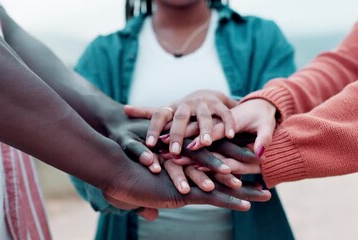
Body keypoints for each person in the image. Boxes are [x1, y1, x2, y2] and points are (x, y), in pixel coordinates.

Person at [0, 1, 271, 239]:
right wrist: (114, 175)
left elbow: (278, 126)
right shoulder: (106, 50)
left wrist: (113, 122)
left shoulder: (260, 37)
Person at [71, 0, 295, 239]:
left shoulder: (260, 37)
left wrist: (228, 110)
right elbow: (77, 151)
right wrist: (117, 189)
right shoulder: (104, 53)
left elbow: (289, 125)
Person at [130, 23, 358, 188]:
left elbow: (264, 133)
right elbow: (346, 63)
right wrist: (268, 100)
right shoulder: (105, 49)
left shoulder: (261, 36)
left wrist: (277, 146)